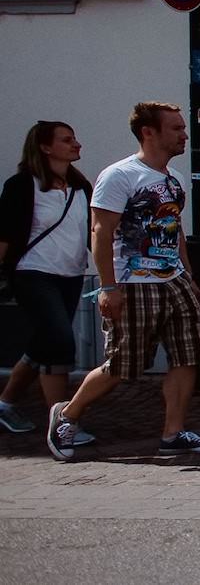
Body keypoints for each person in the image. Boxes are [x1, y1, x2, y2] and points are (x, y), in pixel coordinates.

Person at [45, 104, 200, 462]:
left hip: (172, 279)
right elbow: (101, 231)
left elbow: (175, 228)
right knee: (122, 365)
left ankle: (173, 434)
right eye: (175, 128)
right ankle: (66, 416)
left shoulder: (174, 178)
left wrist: (188, 272)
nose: (184, 135)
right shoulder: (119, 176)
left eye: (183, 128)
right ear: (149, 132)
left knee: (187, 356)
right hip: (132, 281)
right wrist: (108, 287)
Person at [0, 122, 94, 441]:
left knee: (44, 343)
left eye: (75, 138)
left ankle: (5, 403)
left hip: (71, 273)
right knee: (60, 340)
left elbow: (92, 233)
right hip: (32, 272)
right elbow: (6, 234)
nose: (76, 144)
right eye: (67, 140)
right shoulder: (22, 186)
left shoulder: (81, 188)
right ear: (45, 147)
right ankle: (62, 422)